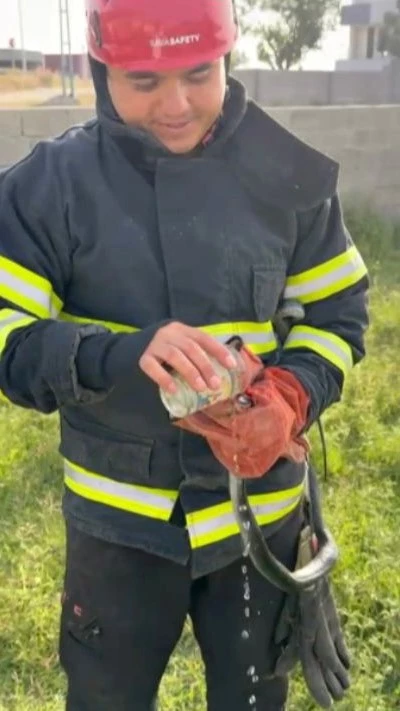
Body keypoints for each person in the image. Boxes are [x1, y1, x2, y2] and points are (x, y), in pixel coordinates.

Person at [0, 0, 369, 709]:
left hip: (261, 521)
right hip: (119, 531)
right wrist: (115, 357)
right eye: (144, 81)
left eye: (199, 74)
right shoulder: (49, 187)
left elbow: (339, 312)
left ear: (228, 57)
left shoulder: (286, 175)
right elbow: (7, 335)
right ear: (101, 71)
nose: (176, 105)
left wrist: (291, 396)